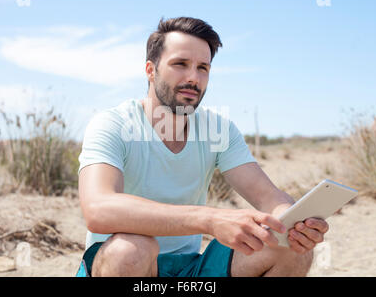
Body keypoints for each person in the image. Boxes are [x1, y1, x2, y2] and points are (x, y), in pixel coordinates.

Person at [76, 17, 329, 277]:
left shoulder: (217, 129)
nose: (193, 78)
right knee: (131, 250)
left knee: (289, 247)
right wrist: (208, 219)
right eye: (180, 64)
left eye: (203, 68)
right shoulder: (113, 124)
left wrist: (292, 223)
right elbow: (98, 208)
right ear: (151, 70)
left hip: (189, 271)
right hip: (118, 264)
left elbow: (267, 196)